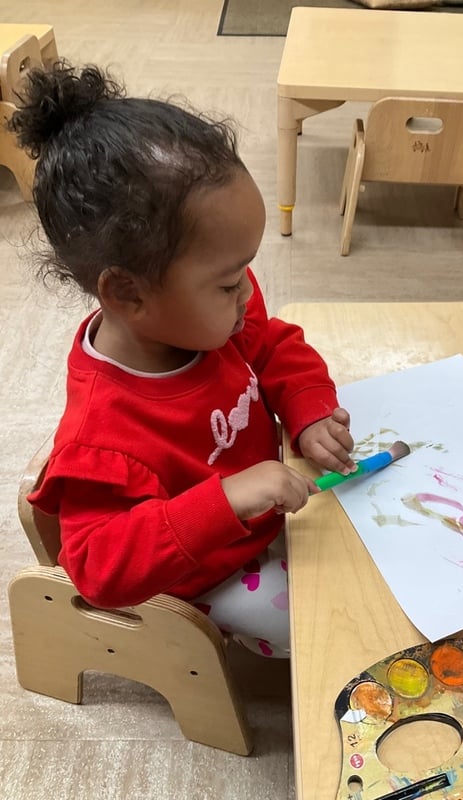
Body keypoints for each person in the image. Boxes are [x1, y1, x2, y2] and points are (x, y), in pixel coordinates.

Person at [10, 62, 355, 658]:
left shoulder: (211, 316)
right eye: (227, 283)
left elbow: (273, 345)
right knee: (333, 625)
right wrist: (228, 499)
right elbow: (97, 569)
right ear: (128, 293)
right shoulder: (103, 439)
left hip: (267, 504)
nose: (246, 293)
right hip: (209, 569)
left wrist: (308, 408)